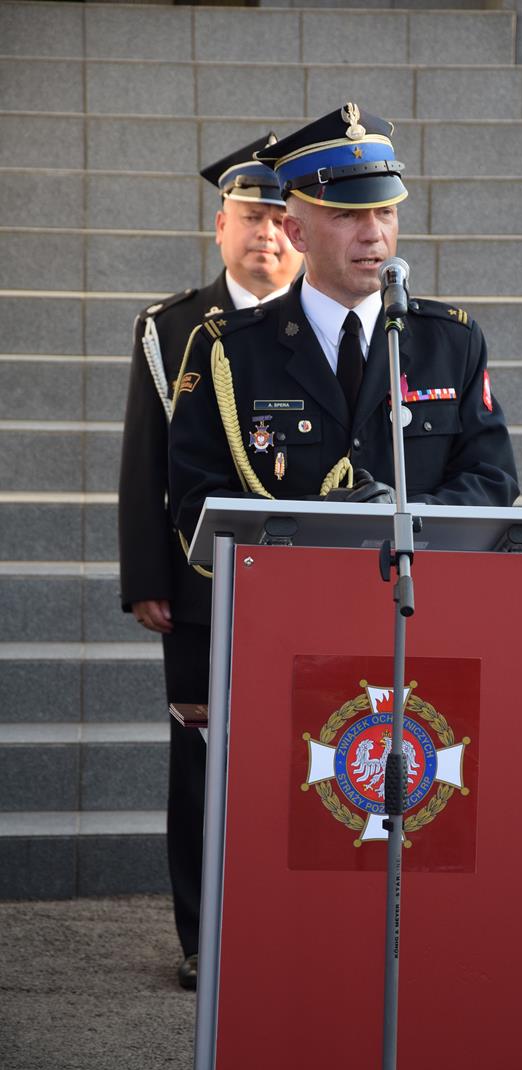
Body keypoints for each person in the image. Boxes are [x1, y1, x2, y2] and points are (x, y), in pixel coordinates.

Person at [118, 134, 303, 991]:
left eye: (282, 216)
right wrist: (147, 576)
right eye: (251, 216)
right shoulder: (170, 328)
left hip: (316, 583)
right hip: (201, 586)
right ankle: (204, 937)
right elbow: (143, 459)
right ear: (218, 223)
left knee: (311, 751)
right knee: (201, 766)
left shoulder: (331, 323)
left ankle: (298, 921)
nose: (267, 232)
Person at [169, 103, 518, 543]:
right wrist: (319, 526)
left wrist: (405, 515)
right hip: (290, 600)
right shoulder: (229, 351)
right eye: (347, 215)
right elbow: (195, 499)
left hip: (416, 597)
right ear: (298, 234)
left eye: (385, 212)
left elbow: (492, 480)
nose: (373, 233)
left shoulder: (451, 341)